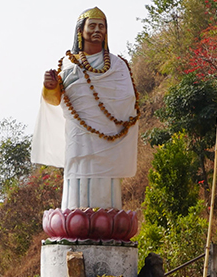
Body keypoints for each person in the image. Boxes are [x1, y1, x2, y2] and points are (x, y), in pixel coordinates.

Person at [31, 7, 139, 211]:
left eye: (102, 26)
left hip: (109, 134)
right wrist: (50, 87)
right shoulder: (68, 65)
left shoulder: (118, 65)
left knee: (107, 183)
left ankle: (108, 215)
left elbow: (128, 97)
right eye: (92, 26)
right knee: (77, 175)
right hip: (78, 135)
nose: (97, 30)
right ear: (80, 30)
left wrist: (108, 112)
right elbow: (55, 101)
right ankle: (74, 214)